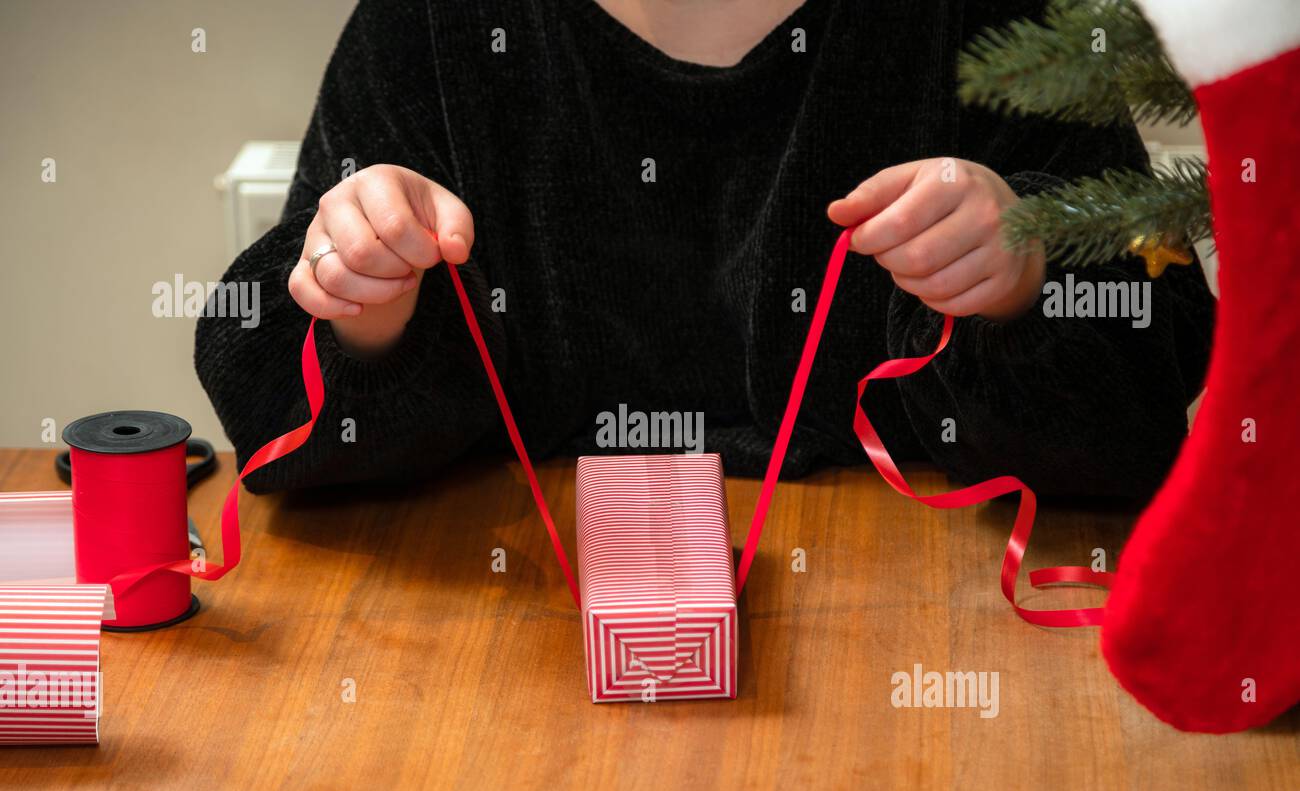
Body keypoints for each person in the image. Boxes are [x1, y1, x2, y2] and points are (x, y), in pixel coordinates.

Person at [196, 0, 1215, 499]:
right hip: (503, 635)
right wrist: (370, 309)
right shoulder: (434, 27)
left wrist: (1024, 268)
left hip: (920, 621)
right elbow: (281, 434)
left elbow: (1141, 402)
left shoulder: (988, 18)